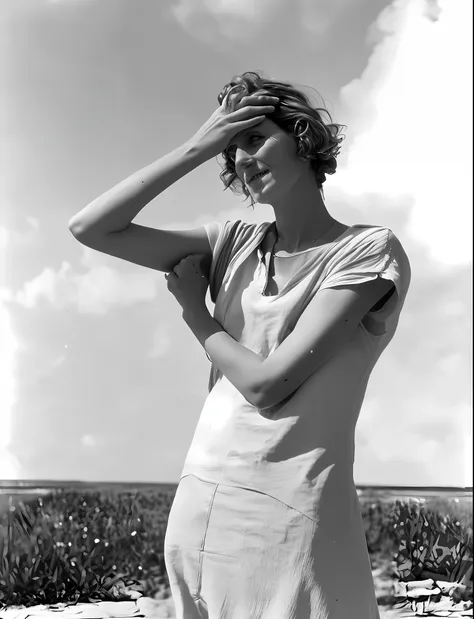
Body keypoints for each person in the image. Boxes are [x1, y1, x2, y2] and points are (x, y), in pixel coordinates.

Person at [69, 71, 411, 618]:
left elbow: (268, 384)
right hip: (201, 501)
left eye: (255, 136)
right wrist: (197, 147)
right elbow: (90, 228)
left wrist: (195, 315)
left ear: (303, 138)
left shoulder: (368, 251)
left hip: (293, 513)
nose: (242, 158)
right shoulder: (233, 242)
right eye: (232, 148)